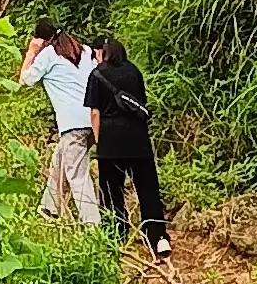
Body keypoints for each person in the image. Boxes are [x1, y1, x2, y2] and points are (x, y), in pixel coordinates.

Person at [83, 34, 170, 254]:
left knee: (111, 192)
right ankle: (158, 237)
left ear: (101, 52)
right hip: (138, 139)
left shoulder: (97, 74)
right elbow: (141, 104)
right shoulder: (134, 71)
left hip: (110, 141)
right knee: (147, 189)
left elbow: (95, 113)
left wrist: (100, 141)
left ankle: (116, 236)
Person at [17, 25, 101, 227]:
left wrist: (31, 52)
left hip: (72, 124)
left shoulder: (48, 54)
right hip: (93, 119)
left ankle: (93, 224)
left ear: (41, 39)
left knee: (77, 175)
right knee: (60, 158)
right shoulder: (84, 50)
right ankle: (50, 207)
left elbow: (25, 80)